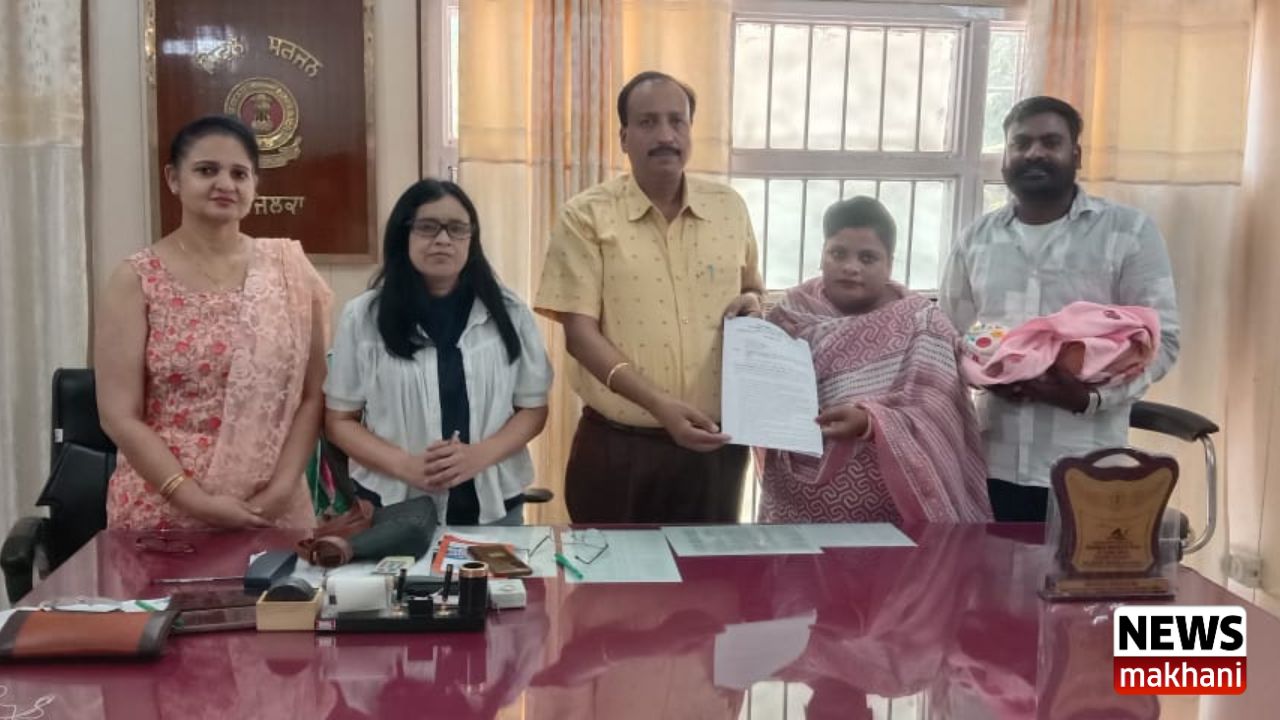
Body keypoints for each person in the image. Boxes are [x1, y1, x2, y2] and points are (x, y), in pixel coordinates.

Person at [535, 71, 765, 524]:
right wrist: (660, 406)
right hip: (620, 450)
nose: (665, 136)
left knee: (710, 570)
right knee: (612, 571)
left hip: (715, 449)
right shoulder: (586, 216)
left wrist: (754, 302)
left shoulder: (729, 208)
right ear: (624, 137)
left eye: (677, 121)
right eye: (647, 122)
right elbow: (580, 336)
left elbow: (752, 288)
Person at [940, 96, 1181, 522]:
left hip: (1089, 464)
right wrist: (986, 376)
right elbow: (947, 336)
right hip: (992, 463)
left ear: (1076, 155)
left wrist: (1091, 398)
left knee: (1075, 568)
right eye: (1021, 143)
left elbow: (1161, 343)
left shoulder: (1128, 232)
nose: (1034, 152)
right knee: (990, 566)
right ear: (1005, 158)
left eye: (1050, 142)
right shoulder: (976, 239)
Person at [96, 115, 331, 530]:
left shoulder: (288, 271)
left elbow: (313, 395)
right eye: (207, 170)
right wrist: (194, 500)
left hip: (271, 506)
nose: (225, 184)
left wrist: (281, 489)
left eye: (239, 174)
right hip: (164, 506)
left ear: (255, 185)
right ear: (174, 179)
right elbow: (119, 415)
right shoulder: (136, 279)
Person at [324, 179, 552, 526]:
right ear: (404, 234)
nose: (443, 239)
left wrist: (477, 456)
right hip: (394, 506)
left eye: (457, 229)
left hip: (494, 506)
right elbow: (340, 421)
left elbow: (532, 408)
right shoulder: (364, 317)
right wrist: (405, 465)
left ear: (472, 239)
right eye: (428, 227)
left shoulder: (510, 312)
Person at [759, 197, 990, 524]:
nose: (851, 267)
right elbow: (761, 392)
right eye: (838, 253)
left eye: (867, 257)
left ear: (889, 264)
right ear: (822, 254)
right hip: (793, 505)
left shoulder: (923, 323)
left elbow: (938, 414)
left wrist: (871, 423)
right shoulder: (789, 315)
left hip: (892, 512)